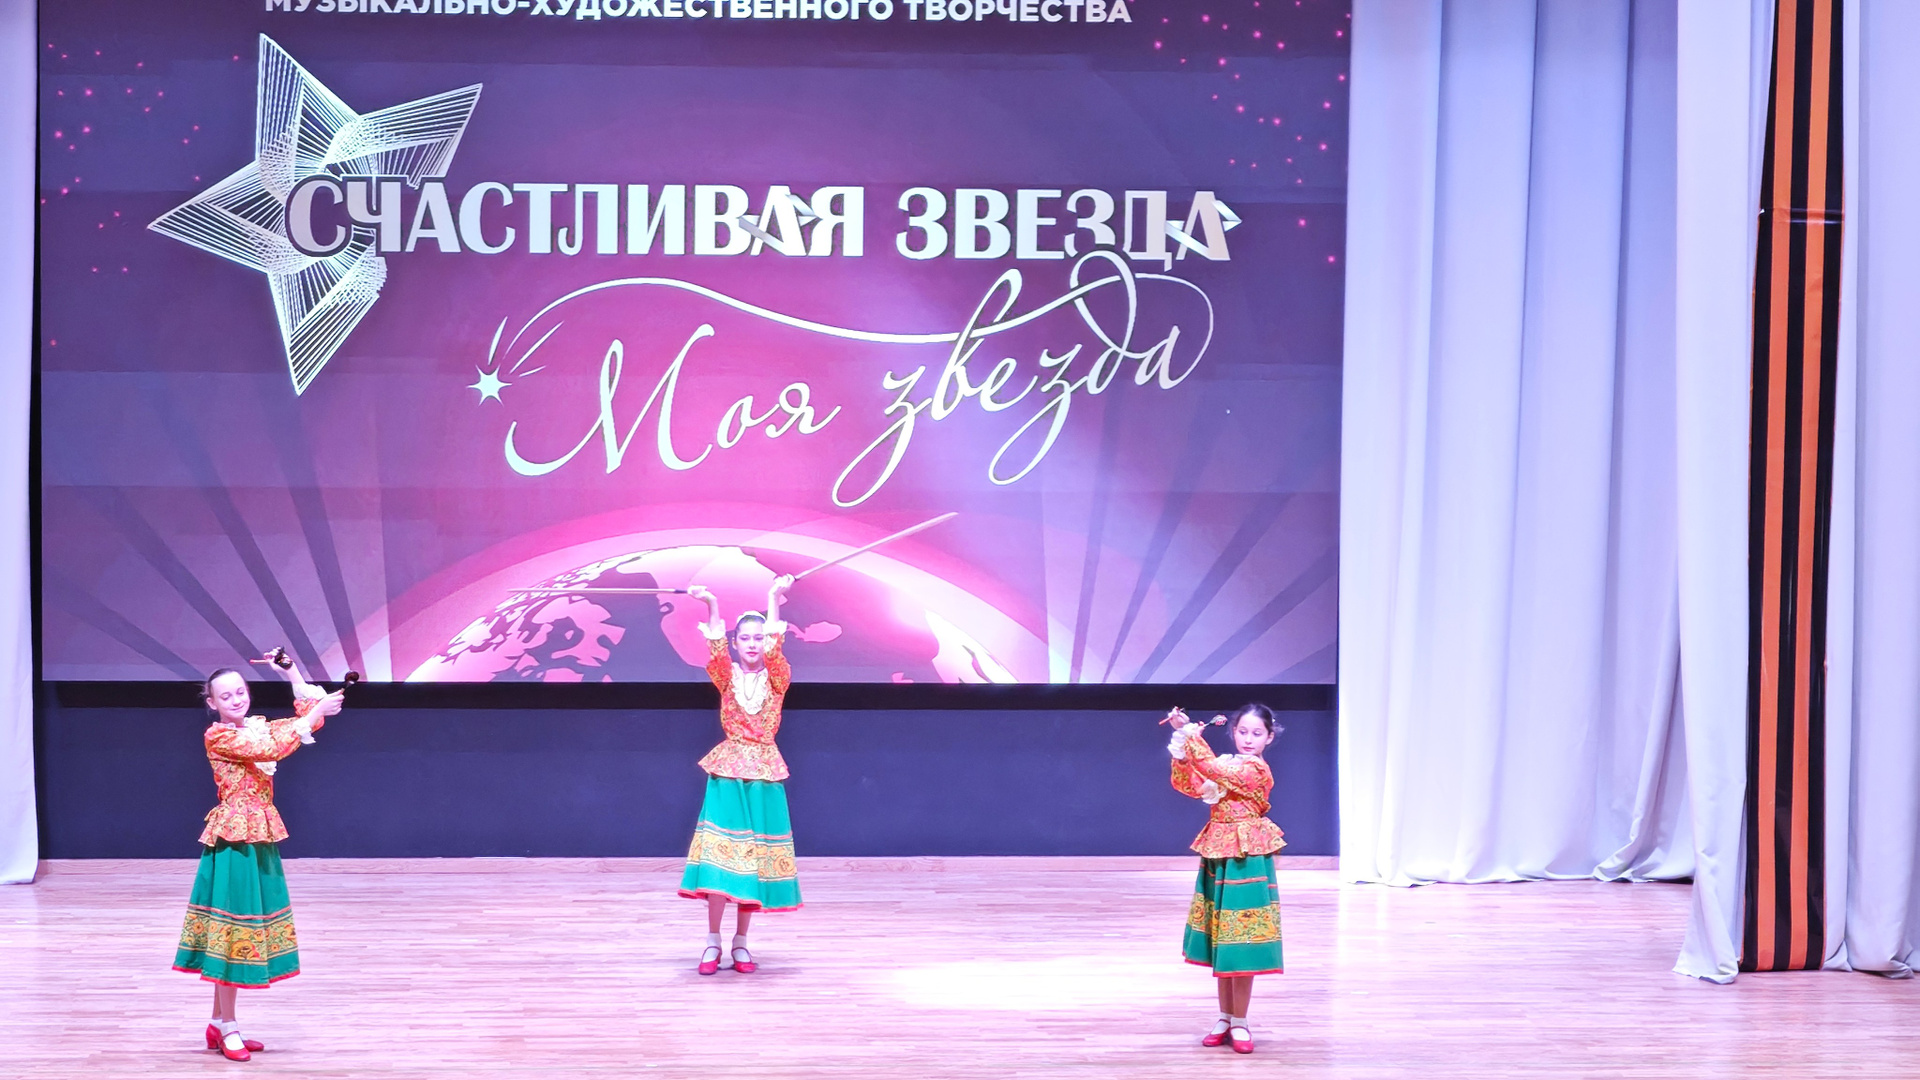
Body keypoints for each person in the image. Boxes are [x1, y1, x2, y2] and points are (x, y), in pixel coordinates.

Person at [173, 657, 344, 1061]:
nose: (236, 699)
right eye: (226, 696)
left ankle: (218, 1023)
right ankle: (228, 1026)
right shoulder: (219, 736)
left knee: (236, 929)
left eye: (241, 692)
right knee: (233, 933)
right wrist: (316, 711)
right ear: (212, 703)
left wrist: (291, 672)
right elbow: (272, 748)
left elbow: (306, 720)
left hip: (257, 836)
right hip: (235, 839)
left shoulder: (255, 726)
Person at [678, 574, 802, 975]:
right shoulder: (726, 676)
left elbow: (777, 651)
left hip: (763, 774)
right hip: (729, 773)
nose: (752, 644)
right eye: (744, 638)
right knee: (722, 858)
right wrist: (710, 603)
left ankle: (742, 943)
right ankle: (712, 942)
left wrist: (773, 598)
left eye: (758, 638)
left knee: (754, 861)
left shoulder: (778, 679)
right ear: (735, 643)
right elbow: (714, 649)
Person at [1165, 703, 1286, 1054]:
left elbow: (1212, 768)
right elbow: (1190, 784)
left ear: (1269, 737)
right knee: (1223, 937)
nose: (1248, 739)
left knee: (1241, 937)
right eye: (1243, 732)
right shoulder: (1229, 765)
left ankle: (1241, 1021)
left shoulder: (1254, 768)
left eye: (1257, 733)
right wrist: (1182, 751)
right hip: (1219, 850)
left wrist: (1188, 733)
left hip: (1247, 856)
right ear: (1233, 732)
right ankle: (1225, 1017)